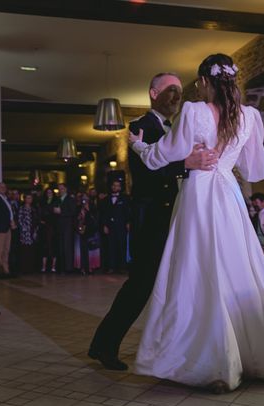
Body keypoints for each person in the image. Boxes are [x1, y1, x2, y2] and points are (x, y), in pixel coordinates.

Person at [128, 54, 264, 392]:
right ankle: (249, 353)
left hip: (199, 193)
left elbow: (162, 156)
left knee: (196, 268)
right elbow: (256, 172)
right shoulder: (250, 117)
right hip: (228, 195)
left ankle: (208, 359)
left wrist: (140, 146)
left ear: (202, 82)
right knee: (233, 266)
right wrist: (230, 158)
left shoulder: (193, 111)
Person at [89, 72, 217, 370]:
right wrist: (184, 164)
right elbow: (147, 174)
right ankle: (104, 345)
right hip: (153, 218)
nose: (176, 95)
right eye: (170, 90)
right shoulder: (139, 128)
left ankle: (173, 349)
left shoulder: (180, 127)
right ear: (153, 93)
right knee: (142, 283)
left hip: (180, 214)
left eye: (178, 91)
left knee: (178, 285)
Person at [100, 180, 131, 273]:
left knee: (121, 246)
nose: (115, 187)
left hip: (121, 225)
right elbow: (104, 213)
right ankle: (111, 266)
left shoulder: (125, 198)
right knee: (110, 246)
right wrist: (105, 225)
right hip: (110, 226)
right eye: (114, 185)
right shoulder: (106, 199)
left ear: (120, 187)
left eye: (117, 186)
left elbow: (128, 212)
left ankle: (122, 267)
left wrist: (128, 222)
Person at [56, 183, 76, 273]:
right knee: (60, 246)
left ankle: (69, 268)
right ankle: (62, 267)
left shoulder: (70, 199)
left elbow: (72, 212)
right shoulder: (57, 199)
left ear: (66, 189)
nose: (60, 190)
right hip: (60, 226)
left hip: (67, 226)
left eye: (62, 189)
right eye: (59, 189)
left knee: (67, 246)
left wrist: (61, 211)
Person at [77, 194, 99, 275]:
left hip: (90, 231)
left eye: (86, 198)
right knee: (82, 250)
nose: (84, 200)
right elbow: (77, 219)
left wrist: (88, 211)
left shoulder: (93, 208)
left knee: (91, 250)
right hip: (82, 231)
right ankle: (82, 267)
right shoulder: (79, 208)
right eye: (83, 198)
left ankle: (90, 267)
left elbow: (95, 219)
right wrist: (80, 215)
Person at [18, 193, 38, 273]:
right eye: (28, 198)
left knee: (31, 250)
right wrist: (24, 229)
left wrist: (35, 229)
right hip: (25, 232)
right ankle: (24, 268)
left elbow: (36, 219)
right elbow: (19, 220)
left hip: (32, 231)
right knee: (24, 250)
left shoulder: (33, 209)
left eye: (30, 198)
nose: (29, 200)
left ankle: (31, 268)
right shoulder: (22, 208)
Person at [39, 187, 58, 272]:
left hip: (53, 226)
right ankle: (44, 266)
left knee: (53, 245)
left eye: (51, 192)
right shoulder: (42, 202)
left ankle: (53, 266)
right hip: (44, 227)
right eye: (48, 192)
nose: (49, 194)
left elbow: (57, 213)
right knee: (44, 245)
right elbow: (40, 213)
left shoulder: (56, 202)